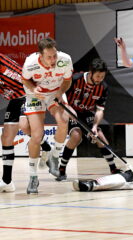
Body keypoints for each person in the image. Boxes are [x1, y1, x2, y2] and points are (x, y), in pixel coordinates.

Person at [21, 37, 73, 194]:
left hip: (55, 92)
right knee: (37, 136)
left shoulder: (65, 60)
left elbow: (67, 80)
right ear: (40, 55)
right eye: (49, 57)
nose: (53, 59)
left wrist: (60, 92)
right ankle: (33, 177)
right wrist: (33, 88)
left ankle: (54, 157)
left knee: (64, 120)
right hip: (35, 95)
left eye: (54, 55)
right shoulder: (30, 63)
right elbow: (24, 80)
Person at [56, 58, 121, 181]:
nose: (100, 79)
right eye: (97, 76)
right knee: (76, 136)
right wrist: (68, 108)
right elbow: (60, 94)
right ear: (90, 73)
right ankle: (62, 169)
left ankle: (113, 168)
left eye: (102, 76)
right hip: (70, 110)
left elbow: (100, 110)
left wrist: (95, 126)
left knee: (99, 136)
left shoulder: (103, 87)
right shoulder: (75, 79)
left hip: (85, 112)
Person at [0, 53, 51, 193]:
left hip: (28, 94)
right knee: (6, 137)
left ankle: (45, 147)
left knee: (24, 126)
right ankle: (7, 181)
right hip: (16, 98)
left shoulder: (4, 67)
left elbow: (25, 81)